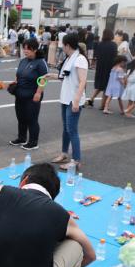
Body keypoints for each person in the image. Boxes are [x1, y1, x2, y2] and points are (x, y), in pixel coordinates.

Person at [45, 33, 88, 170]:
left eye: (62, 44)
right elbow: (65, 77)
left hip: (73, 100)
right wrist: (51, 75)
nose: (62, 47)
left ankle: (76, 160)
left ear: (67, 45)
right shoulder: (70, 58)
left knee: (72, 130)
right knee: (66, 129)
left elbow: (82, 82)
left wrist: (76, 101)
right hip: (65, 98)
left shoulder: (80, 59)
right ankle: (64, 153)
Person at [9, 38, 49, 151]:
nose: (26, 51)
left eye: (28, 49)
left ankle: (33, 142)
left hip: (32, 95)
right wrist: (15, 83)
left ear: (35, 49)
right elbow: (18, 74)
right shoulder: (23, 61)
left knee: (32, 119)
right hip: (20, 94)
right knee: (21, 117)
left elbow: (43, 79)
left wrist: (38, 93)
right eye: (24, 48)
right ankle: (21, 138)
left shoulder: (40, 62)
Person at [86, 29, 117, 108]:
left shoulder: (100, 44)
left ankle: (91, 99)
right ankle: (103, 105)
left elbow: (96, 55)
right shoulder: (113, 45)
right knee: (107, 86)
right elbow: (115, 57)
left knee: (100, 85)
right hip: (109, 67)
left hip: (100, 66)